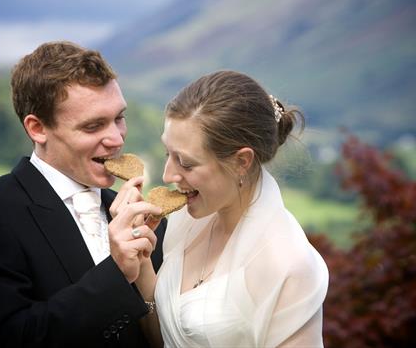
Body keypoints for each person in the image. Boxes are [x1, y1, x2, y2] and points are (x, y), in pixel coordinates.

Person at [0, 41, 166, 348]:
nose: (117, 138)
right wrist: (116, 271)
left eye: (119, 118)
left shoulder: (142, 222)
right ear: (38, 128)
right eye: (94, 126)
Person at [128, 70, 329, 347]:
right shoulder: (186, 220)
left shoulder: (290, 265)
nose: (167, 175)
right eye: (167, 154)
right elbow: (163, 336)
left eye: (185, 163)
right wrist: (140, 264)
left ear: (241, 161)